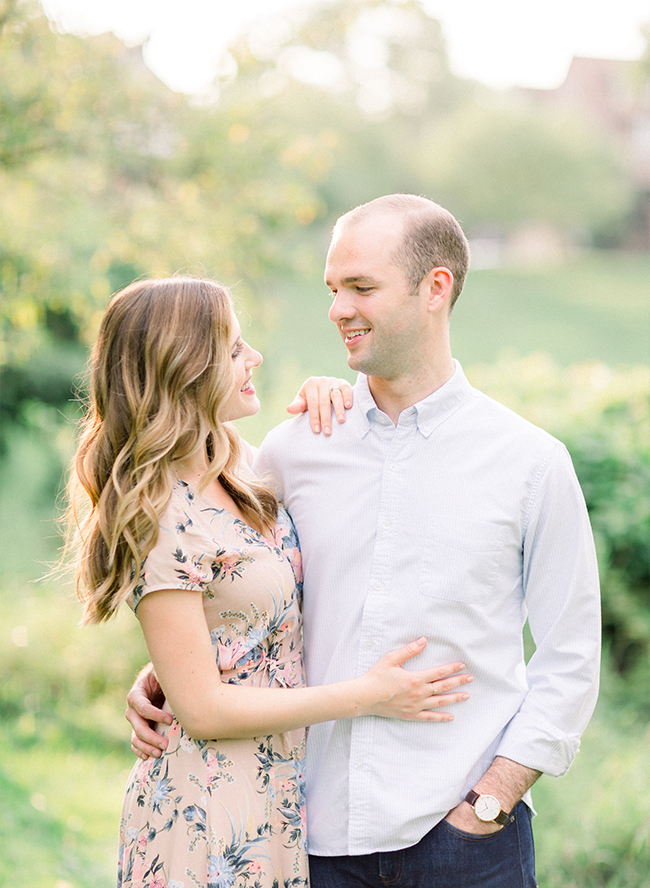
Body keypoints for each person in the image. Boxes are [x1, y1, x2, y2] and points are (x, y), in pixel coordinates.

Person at [128, 196, 601, 888]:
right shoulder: (291, 452)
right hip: (307, 841)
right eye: (332, 289)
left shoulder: (529, 463)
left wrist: (492, 801)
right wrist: (165, 677)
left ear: (435, 288)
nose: (337, 309)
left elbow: (571, 656)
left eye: (361, 288)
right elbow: (220, 583)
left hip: (468, 843)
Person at [67, 275, 474, 888]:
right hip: (205, 811)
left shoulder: (236, 462)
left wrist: (337, 396)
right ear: (184, 367)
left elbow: (237, 619)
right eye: (233, 349)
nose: (253, 357)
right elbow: (202, 710)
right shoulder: (159, 515)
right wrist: (371, 694)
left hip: (274, 797)